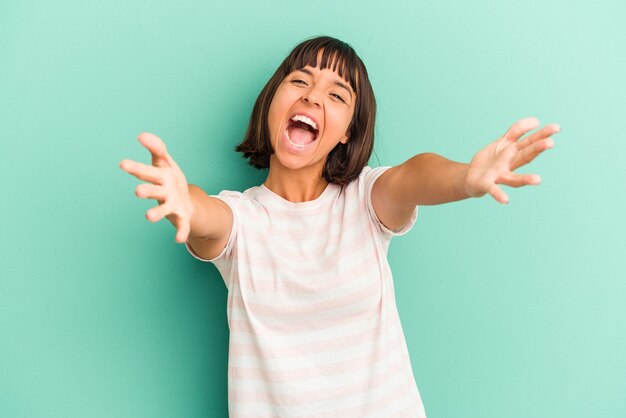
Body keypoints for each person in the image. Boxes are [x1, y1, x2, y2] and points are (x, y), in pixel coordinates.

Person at [119, 36, 560, 417]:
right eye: (300, 81)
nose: (312, 97)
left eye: (337, 95)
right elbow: (207, 216)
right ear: (272, 102)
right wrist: (183, 202)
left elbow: (414, 175)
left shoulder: (366, 201)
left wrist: (465, 177)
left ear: (348, 131)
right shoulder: (244, 221)